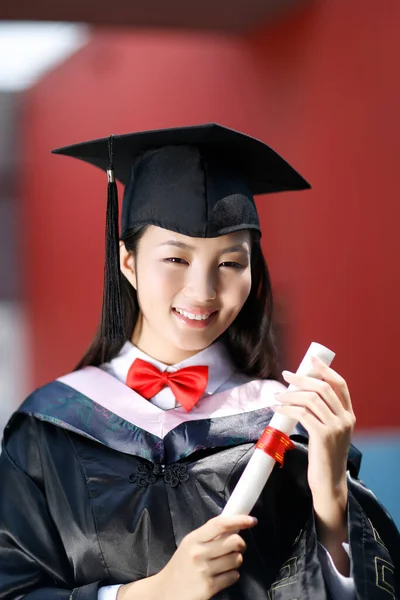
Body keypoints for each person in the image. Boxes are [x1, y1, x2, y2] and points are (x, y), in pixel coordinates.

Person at [0, 124, 398, 600]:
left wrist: (330, 497)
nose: (203, 292)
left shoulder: (287, 423)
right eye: (175, 259)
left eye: (230, 263)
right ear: (128, 262)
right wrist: (148, 594)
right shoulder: (50, 428)